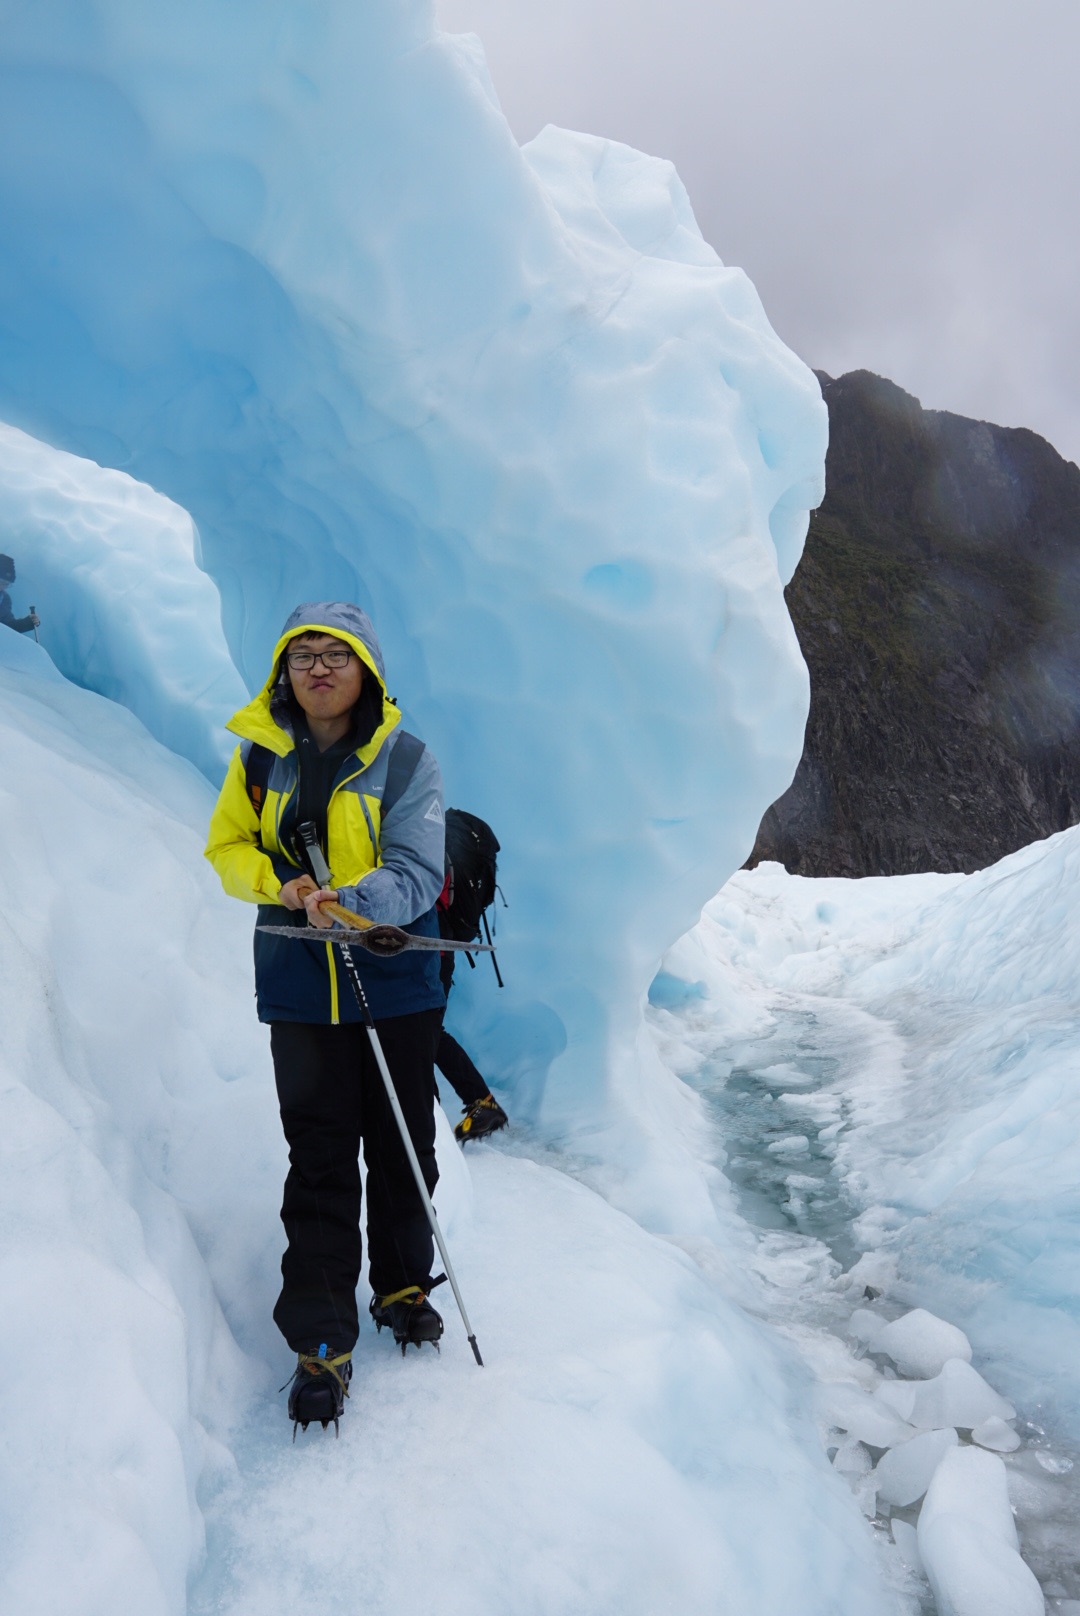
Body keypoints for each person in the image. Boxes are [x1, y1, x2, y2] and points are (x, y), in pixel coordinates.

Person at [205, 602, 448, 1434]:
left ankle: (402, 1282)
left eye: (334, 656)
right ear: (283, 671)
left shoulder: (407, 760)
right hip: (301, 986)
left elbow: (419, 868)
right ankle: (319, 1335)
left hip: (393, 981)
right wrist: (283, 887)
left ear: (366, 672)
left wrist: (354, 901)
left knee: (402, 1141)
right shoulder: (259, 758)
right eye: (301, 654)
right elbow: (228, 849)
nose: (317, 668)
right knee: (318, 1153)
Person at [0, 555, 40, 635]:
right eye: (2, 581)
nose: (3, 587)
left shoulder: (4, 599)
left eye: (7, 584)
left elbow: (8, 626)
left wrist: (28, 622)